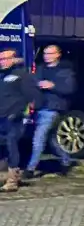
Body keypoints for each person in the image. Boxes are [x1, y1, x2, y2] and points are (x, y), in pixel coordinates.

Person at [26, 44, 77, 177]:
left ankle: (30, 168)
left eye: (50, 54)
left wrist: (53, 86)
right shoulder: (40, 69)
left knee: (38, 138)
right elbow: (32, 84)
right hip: (39, 107)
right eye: (45, 54)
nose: (47, 57)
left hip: (53, 109)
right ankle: (66, 160)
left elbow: (70, 89)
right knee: (51, 139)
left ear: (58, 55)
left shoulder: (65, 71)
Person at [0, 49, 40, 192]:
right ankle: (5, 175)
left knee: (12, 145)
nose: (2, 61)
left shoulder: (22, 75)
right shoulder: (2, 75)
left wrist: (24, 113)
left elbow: (32, 95)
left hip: (14, 117)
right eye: (1, 59)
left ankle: (13, 179)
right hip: (2, 117)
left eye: (6, 58)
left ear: (14, 59)